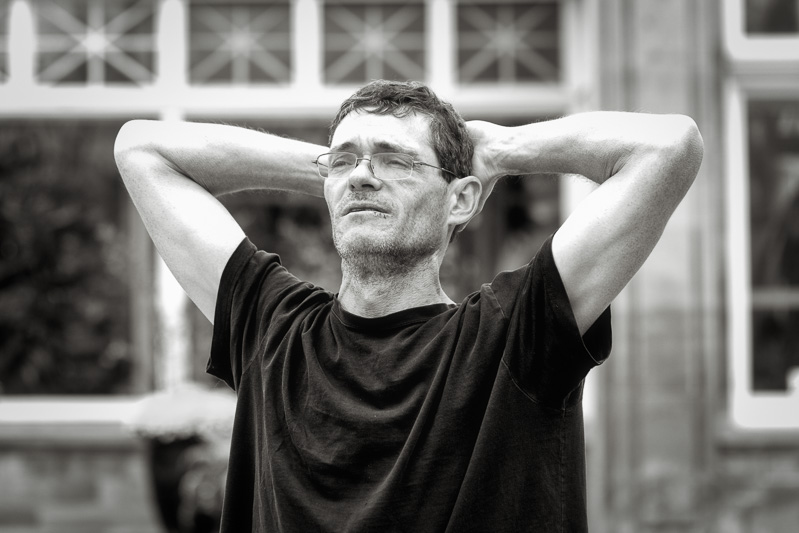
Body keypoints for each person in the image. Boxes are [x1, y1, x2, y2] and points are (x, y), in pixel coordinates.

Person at [114, 80, 703, 532]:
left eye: (395, 161)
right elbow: (141, 149)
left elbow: (668, 147)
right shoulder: (274, 330)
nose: (363, 177)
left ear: (461, 200)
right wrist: (337, 173)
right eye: (345, 160)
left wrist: (499, 149)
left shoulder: (515, 336)